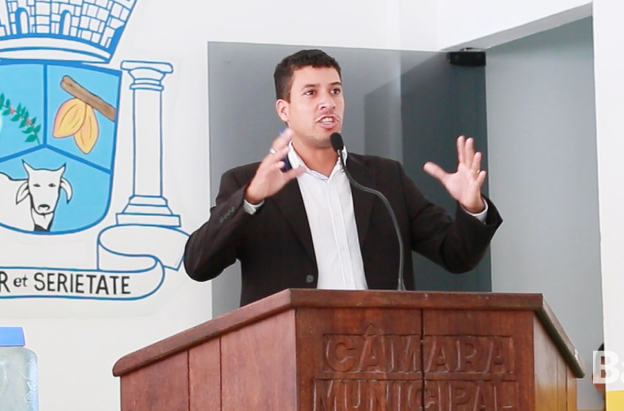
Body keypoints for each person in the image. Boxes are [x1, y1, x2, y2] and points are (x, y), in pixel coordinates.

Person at [184, 49, 502, 306]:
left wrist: (472, 207)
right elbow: (199, 265)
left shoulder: (384, 178)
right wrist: (251, 199)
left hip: (384, 349)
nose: (328, 102)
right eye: (311, 92)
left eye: (335, 90)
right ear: (284, 109)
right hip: (287, 353)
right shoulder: (247, 182)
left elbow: (457, 256)